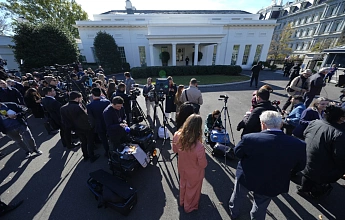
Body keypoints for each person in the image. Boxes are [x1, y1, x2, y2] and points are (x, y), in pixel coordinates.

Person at [229, 111, 306, 220]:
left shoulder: (249, 138)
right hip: (273, 181)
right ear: (281, 124)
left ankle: (233, 213)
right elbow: (300, 166)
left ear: (263, 124)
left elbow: (238, 153)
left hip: (247, 176)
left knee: (238, 197)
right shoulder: (298, 144)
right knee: (261, 206)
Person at [297, 105, 345, 199]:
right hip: (321, 168)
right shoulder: (339, 134)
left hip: (305, 159)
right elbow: (339, 155)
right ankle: (318, 190)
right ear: (340, 118)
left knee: (308, 173)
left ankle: (303, 189)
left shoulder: (315, 122)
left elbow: (305, 134)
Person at [172, 114, 207, 213]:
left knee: (183, 184)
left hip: (182, 167)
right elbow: (203, 164)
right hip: (194, 172)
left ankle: (182, 201)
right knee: (192, 190)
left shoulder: (177, 135)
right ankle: (189, 206)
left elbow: (175, 150)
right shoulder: (199, 146)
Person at [60, 91, 100, 162]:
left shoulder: (63, 108)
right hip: (86, 127)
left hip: (76, 128)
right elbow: (85, 118)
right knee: (90, 142)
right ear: (77, 98)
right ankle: (92, 156)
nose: (81, 99)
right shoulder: (78, 107)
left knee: (83, 141)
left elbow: (65, 120)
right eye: (81, 98)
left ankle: (85, 156)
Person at [87, 88, 111, 156]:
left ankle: (107, 151)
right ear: (100, 93)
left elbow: (90, 118)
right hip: (108, 122)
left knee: (104, 139)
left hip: (98, 124)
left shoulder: (89, 106)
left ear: (92, 95)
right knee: (111, 137)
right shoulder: (107, 102)